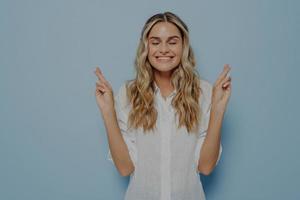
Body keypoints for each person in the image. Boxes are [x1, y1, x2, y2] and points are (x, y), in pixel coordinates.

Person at [94, 11, 231, 200]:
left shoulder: (204, 93)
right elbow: (125, 168)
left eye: (172, 42)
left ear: (183, 46)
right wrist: (107, 112)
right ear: (146, 47)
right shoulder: (128, 94)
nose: (164, 49)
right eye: (155, 42)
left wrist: (218, 109)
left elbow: (206, 167)